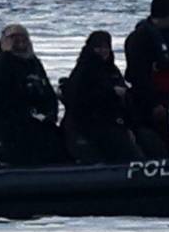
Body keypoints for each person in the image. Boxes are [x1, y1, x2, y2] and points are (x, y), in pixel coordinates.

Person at [0, 24, 68, 166]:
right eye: (14, 39)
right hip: (15, 131)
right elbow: (2, 98)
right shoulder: (1, 65)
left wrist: (49, 114)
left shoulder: (34, 63)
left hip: (41, 125)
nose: (20, 43)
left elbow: (48, 93)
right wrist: (6, 53)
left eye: (23, 39)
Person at [62, 31, 145, 164]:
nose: (103, 51)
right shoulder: (84, 70)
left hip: (112, 123)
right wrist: (111, 92)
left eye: (106, 47)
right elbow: (80, 99)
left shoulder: (112, 70)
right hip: (90, 126)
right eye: (98, 47)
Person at [124, 0, 169, 156]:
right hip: (152, 102)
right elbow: (139, 76)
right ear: (165, 14)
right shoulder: (140, 39)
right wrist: (153, 103)